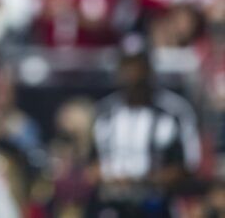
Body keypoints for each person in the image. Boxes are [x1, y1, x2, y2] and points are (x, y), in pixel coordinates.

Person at [85, 49, 201, 218]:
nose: (131, 78)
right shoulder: (104, 113)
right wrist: (110, 177)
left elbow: (188, 165)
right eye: (126, 71)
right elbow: (91, 165)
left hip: (157, 205)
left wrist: (142, 181)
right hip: (111, 205)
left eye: (137, 75)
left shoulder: (174, 112)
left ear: (149, 74)